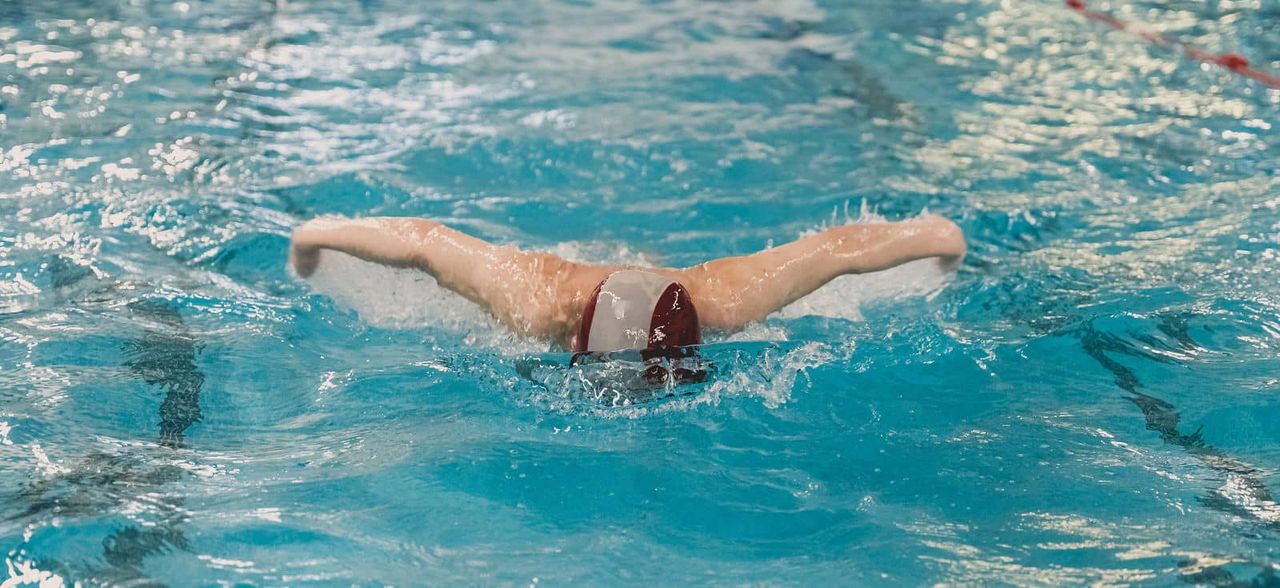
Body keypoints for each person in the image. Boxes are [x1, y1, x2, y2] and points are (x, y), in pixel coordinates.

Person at [289, 214, 965, 352]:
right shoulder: (532, 297)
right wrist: (313, 236)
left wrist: (938, 239)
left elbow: (842, 249)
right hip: (571, 264)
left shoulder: (725, 299)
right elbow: (422, 244)